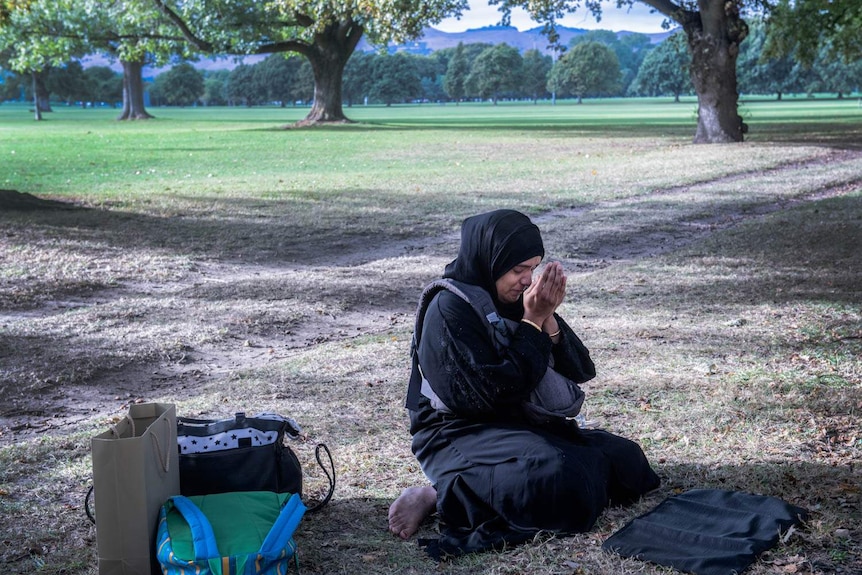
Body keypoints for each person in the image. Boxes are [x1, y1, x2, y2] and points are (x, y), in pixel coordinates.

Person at [388, 209, 660, 557]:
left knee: (628, 461)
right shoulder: (449, 308)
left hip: (515, 425)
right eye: (518, 270)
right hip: (456, 433)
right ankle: (439, 495)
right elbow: (485, 397)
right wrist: (532, 322)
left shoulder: (516, 300)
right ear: (491, 259)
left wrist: (546, 319)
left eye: (533, 268)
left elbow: (581, 369)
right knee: (560, 478)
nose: (528, 280)